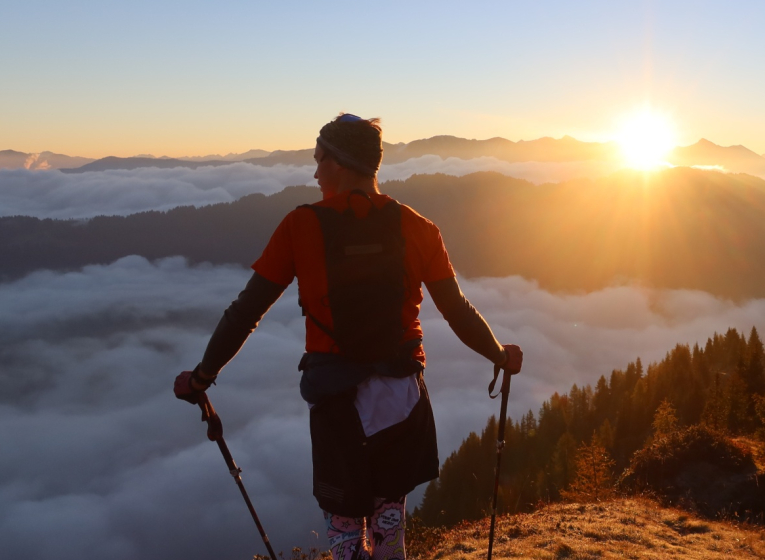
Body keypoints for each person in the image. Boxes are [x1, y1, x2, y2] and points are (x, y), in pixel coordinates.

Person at [173, 113, 523, 560]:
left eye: (320, 160)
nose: (315, 171)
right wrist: (499, 354)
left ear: (339, 162)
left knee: (344, 535)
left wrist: (202, 377)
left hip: (337, 400)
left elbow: (246, 312)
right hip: (402, 398)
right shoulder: (418, 227)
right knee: (388, 529)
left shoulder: (300, 226)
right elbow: (457, 311)